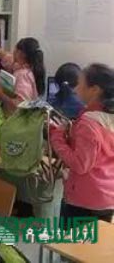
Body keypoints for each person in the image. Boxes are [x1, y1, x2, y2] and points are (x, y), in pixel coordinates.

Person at [50, 63, 114, 225]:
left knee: (73, 241)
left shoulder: (88, 122)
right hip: (107, 197)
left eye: (80, 84)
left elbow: (80, 165)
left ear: (95, 90)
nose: (75, 89)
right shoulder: (106, 117)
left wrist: (57, 137)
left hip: (85, 200)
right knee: (98, 240)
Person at [0, 35, 45, 113]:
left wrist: (0, 93)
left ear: (21, 53)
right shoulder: (27, 67)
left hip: (18, 118)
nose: (12, 52)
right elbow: (5, 57)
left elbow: (20, 105)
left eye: (15, 49)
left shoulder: (22, 75)